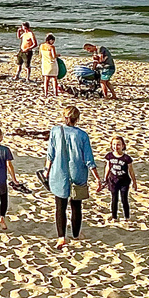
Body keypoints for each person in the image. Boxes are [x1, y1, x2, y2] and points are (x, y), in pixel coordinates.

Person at [46, 103, 98, 248]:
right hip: (78, 173)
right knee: (76, 206)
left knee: (60, 207)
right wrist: (97, 177)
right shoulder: (82, 135)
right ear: (77, 119)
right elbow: (89, 159)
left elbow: (50, 154)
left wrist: (46, 170)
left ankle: (61, 237)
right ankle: (76, 234)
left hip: (59, 172)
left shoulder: (55, 131)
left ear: (64, 117)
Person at [99, 136, 136, 222]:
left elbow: (131, 170)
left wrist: (134, 182)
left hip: (124, 182)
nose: (116, 147)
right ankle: (114, 217)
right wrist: (105, 178)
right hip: (113, 181)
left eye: (118, 145)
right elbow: (107, 167)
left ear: (123, 146)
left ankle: (127, 217)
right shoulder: (109, 156)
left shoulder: (126, 158)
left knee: (124, 199)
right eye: (114, 144)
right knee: (114, 199)